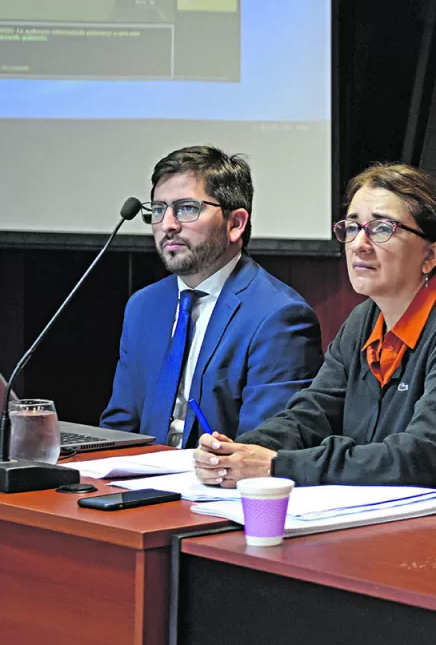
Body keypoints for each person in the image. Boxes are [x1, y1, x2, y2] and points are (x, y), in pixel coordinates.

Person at [193, 163, 436, 522]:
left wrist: (278, 465)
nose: (359, 244)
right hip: (391, 526)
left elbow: (422, 455)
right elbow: (311, 414)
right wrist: (241, 452)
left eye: (382, 228)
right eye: (353, 227)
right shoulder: (364, 320)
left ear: (431, 255)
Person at [100, 146, 322, 448]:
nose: (168, 225)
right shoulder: (144, 306)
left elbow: (265, 449)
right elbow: (118, 429)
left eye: (186, 208)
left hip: (216, 487)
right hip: (138, 485)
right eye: (158, 209)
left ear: (235, 224)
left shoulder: (279, 317)